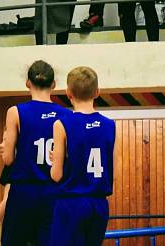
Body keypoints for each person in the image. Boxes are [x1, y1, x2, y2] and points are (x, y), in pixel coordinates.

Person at [50, 66, 118, 246]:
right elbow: (112, 168)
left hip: (71, 202)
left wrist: (55, 160)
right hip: (99, 205)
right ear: (97, 92)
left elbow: (56, 175)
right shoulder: (109, 125)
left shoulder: (62, 123)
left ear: (68, 93)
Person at [0, 60, 65, 245]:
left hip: (23, 191)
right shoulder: (66, 115)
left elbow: (8, 159)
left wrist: (6, 150)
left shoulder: (15, 112)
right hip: (53, 191)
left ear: (28, 82)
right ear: (53, 84)